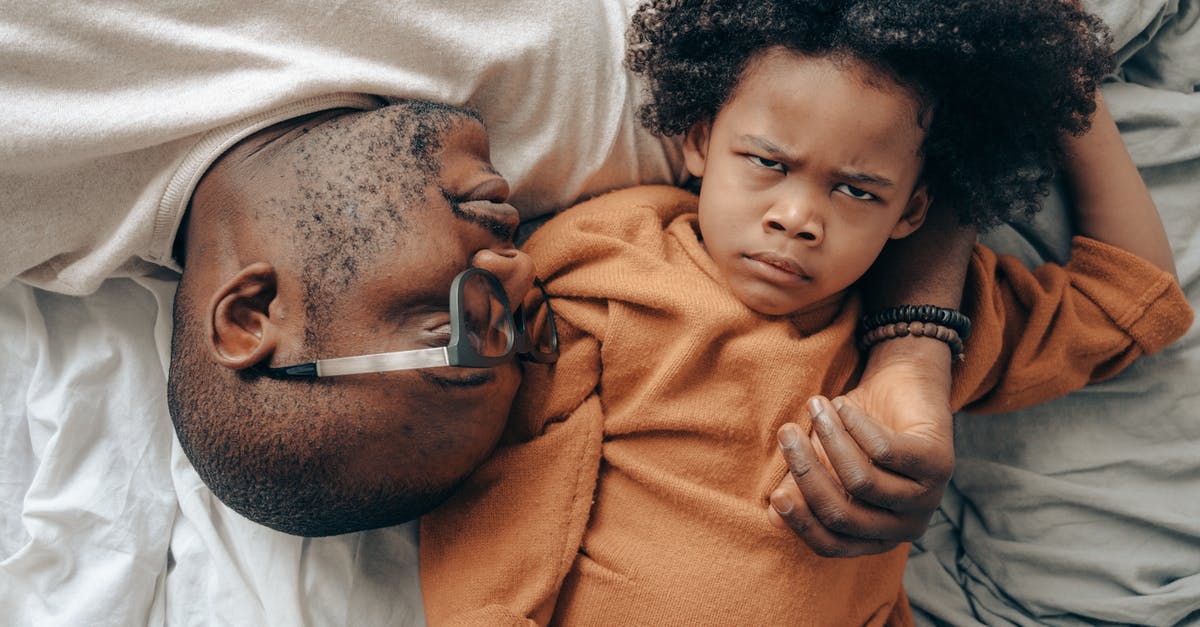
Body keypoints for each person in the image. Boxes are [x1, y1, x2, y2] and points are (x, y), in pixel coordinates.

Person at [417, 0, 1193, 624]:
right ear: (696, 140)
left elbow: (1129, 295)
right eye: (768, 163)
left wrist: (1064, 88)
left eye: (857, 190)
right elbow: (517, 474)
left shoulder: (928, 327)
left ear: (912, 212)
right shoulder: (612, 256)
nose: (797, 217)